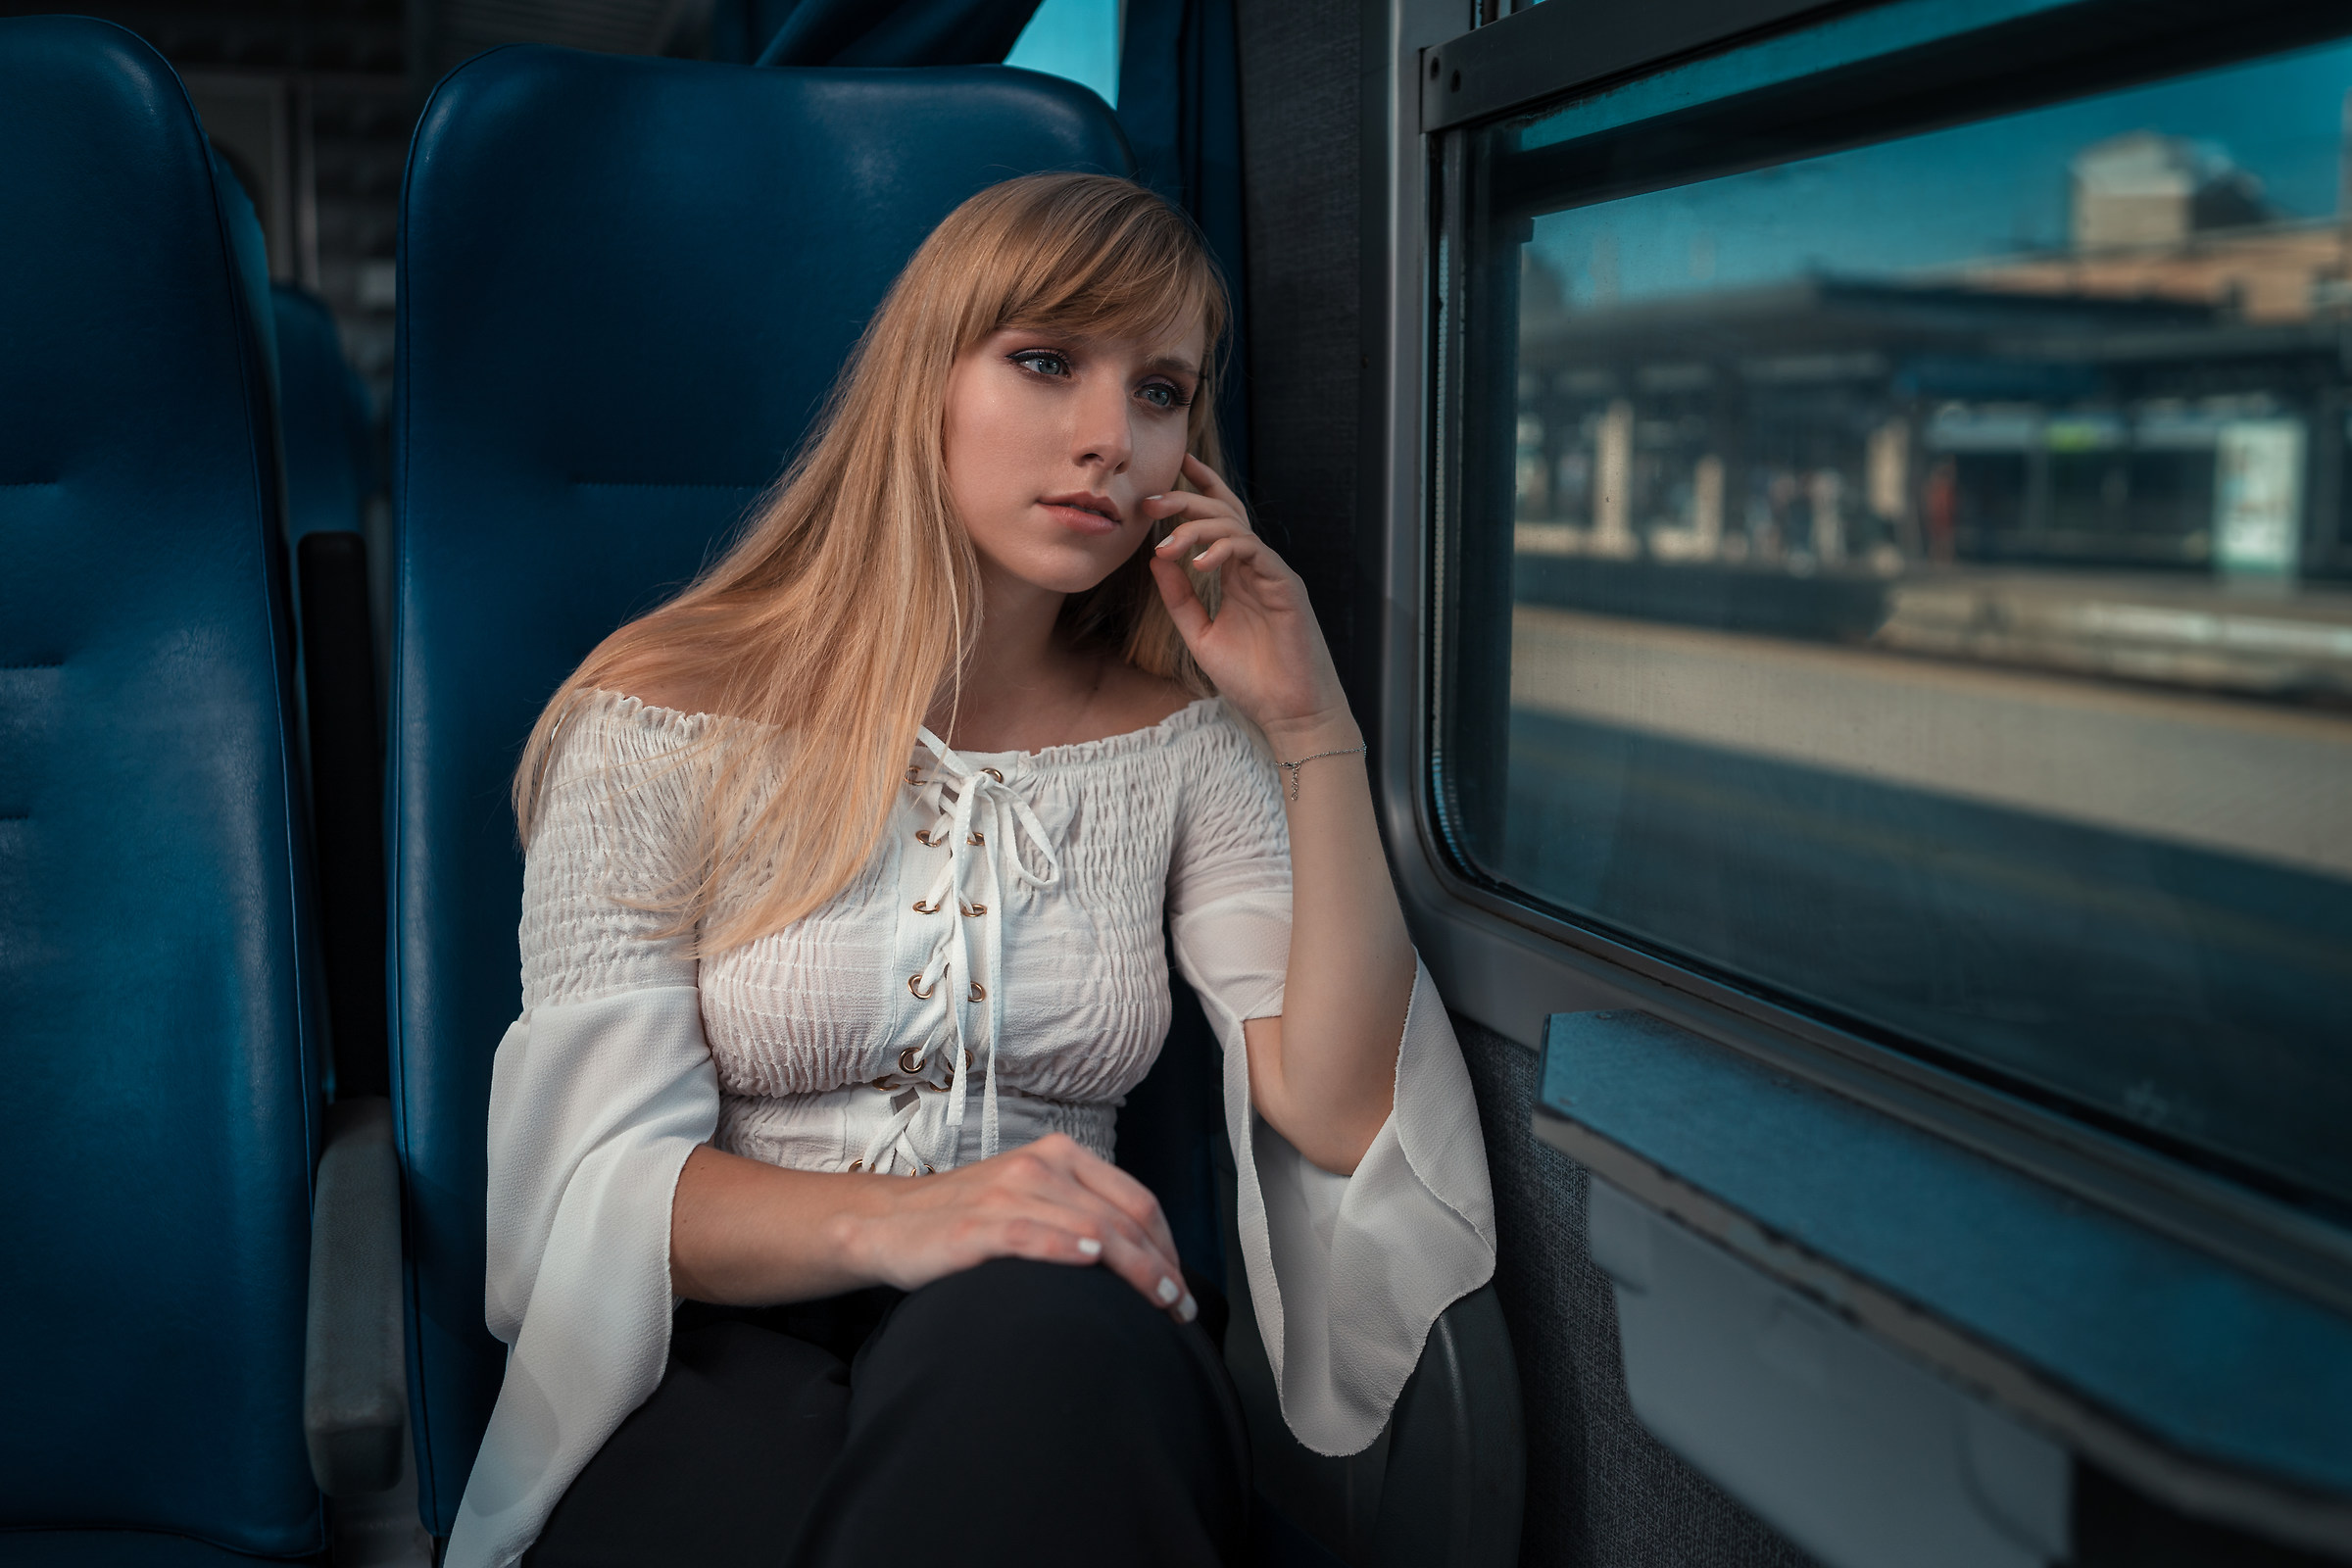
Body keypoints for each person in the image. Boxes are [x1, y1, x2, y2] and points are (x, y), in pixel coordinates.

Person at [446, 172, 1494, 1568]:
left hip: (1060, 1327)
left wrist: (1310, 726)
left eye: (1164, 392)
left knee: (1034, 1359)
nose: (1110, 440)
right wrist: (912, 1219)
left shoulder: (1184, 746)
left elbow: (1343, 1102)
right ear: (923, 385)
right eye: (1049, 362)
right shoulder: (658, 715)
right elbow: (583, 1193)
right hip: (707, 1343)